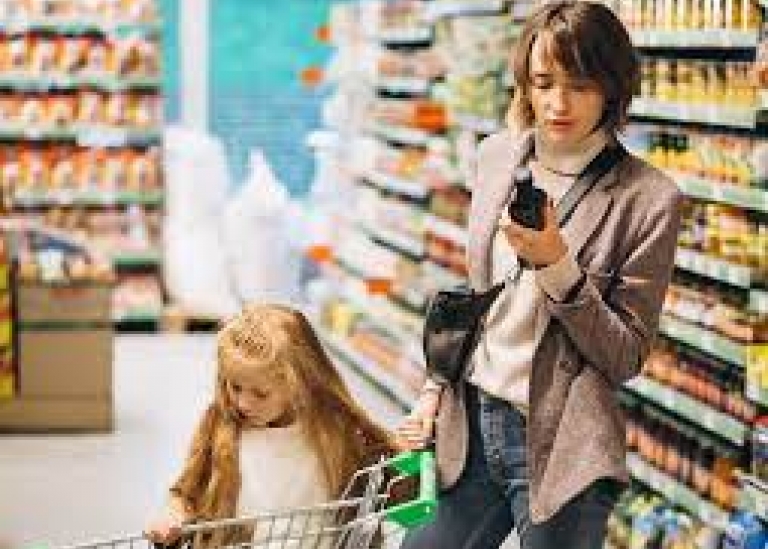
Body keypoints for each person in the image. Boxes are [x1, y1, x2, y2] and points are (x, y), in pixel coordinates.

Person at [397, 2, 682, 548]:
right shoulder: (496, 159)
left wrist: (558, 265)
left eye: (578, 84)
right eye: (543, 82)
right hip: (472, 424)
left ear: (612, 87)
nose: (557, 103)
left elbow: (624, 355)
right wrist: (434, 388)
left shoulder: (648, 199)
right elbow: (480, 297)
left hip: (562, 446)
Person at [146, 303, 396, 548]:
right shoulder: (222, 424)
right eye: (234, 386)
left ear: (299, 384)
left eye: (261, 393)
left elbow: (386, 490)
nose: (243, 403)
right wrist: (171, 514)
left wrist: (413, 453)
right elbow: (186, 493)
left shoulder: (337, 431)